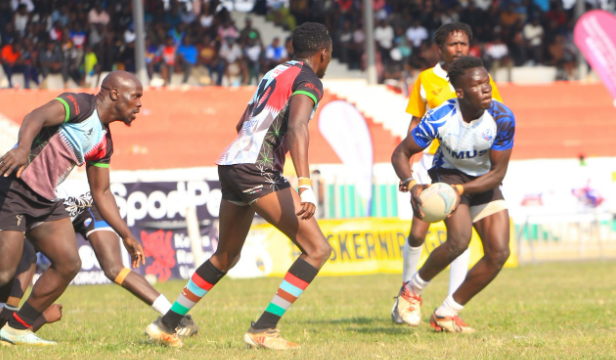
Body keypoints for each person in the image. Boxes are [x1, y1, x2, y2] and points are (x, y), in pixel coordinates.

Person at [144, 22, 333, 350]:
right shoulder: (309, 80)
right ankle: (264, 328)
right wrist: (304, 183)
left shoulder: (274, 73)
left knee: (225, 256)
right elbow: (297, 126)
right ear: (323, 53)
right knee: (317, 249)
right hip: (256, 167)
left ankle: (167, 323)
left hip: (232, 163)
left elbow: (242, 122)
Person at [0, 71, 146, 345]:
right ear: (114, 93)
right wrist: (22, 148)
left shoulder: (104, 141)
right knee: (5, 273)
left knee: (68, 263)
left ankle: (16, 329)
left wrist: (126, 234)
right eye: (136, 96)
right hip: (13, 189)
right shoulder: (79, 105)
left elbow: (101, 192)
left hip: (44, 200)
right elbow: (36, 116)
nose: (139, 104)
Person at [391, 56, 515, 333]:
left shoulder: (503, 117)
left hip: (484, 181)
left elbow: (498, 173)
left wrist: (464, 190)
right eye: (478, 84)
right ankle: (411, 291)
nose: (486, 88)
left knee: (499, 252)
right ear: (460, 92)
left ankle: (446, 313)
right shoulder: (440, 116)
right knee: (459, 240)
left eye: (487, 82)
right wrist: (412, 184)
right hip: (447, 176)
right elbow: (401, 152)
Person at [0, 181, 198, 341]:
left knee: (114, 268)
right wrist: (41, 317)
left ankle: (176, 318)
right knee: (24, 253)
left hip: (87, 201)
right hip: (55, 204)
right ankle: (11, 320)